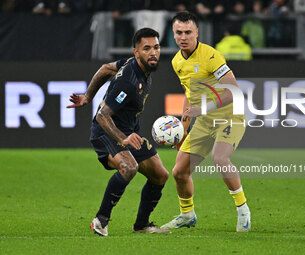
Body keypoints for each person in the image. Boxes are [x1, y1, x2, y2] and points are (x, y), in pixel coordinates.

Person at [67, 28, 170, 236]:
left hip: (128, 131)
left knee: (160, 175)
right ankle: (101, 220)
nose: (153, 53)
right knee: (129, 167)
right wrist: (123, 138)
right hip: (106, 133)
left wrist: (87, 96)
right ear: (136, 52)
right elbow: (102, 116)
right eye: (147, 48)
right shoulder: (129, 82)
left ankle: (141, 225)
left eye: (156, 47)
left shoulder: (133, 65)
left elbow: (105, 68)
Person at [160, 12, 251, 232]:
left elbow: (234, 90)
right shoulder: (177, 61)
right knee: (179, 171)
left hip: (230, 115)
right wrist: (183, 129)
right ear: (173, 34)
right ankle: (187, 214)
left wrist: (204, 108)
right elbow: (189, 94)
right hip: (204, 122)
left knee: (220, 157)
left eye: (188, 32)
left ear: (197, 32)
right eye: (179, 33)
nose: (183, 37)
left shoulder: (211, 56)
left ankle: (243, 210)